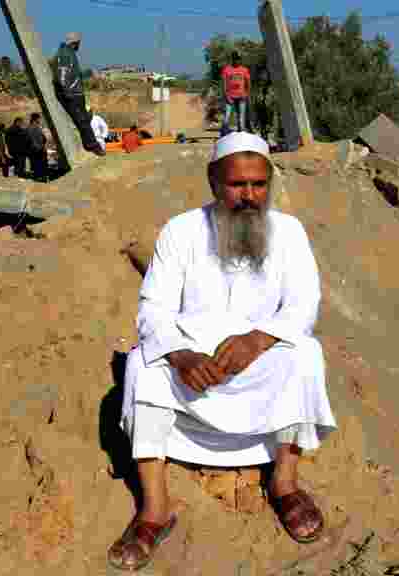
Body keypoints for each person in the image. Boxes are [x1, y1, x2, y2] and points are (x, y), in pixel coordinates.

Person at [108, 132, 336, 571]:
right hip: (195, 366)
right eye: (237, 185)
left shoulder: (289, 232)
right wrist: (180, 356)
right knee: (141, 364)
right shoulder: (180, 231)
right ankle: (155, 511)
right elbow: (153, 307)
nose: (249, 195)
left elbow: (304, 304)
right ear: (214, 181)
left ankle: (285, 484)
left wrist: (258, 340)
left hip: (260, 360)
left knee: (306, 355)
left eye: (258, 184)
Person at [54, 32, 106, 157]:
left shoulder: (68, 53)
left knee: (85, 118)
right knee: (82, 120)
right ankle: (92, 146)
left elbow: (71, 74)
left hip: (75, 92)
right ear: (75, 43)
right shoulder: (65, 54)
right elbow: (62, 75)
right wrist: (67, 91)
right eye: (79, 43)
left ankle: (88, 143)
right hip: (72, 93)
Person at [219, 51, 251, 136]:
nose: (237, 61)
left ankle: (241, 134)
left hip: (241, 97)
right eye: (235, 59)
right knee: (227, 116)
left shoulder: (244, 70)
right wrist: (226, 96)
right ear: (232, 60)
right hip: (230, 96)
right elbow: (224, 84)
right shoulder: (226, 70)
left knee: (241, 117)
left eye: (238, 59)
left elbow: (248, 83)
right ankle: (223, 134)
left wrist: (246, 94)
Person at [26, 113, 48, 182]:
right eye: (39, 118)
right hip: (37, 152)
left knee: (40, 170)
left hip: (38, 151)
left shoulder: (36, 127)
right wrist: (40, 148)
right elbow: (32, 141)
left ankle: (41, 179)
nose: (40, 120)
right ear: (36, 119)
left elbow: (43, 138)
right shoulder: (31, 128)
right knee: (38, 170)